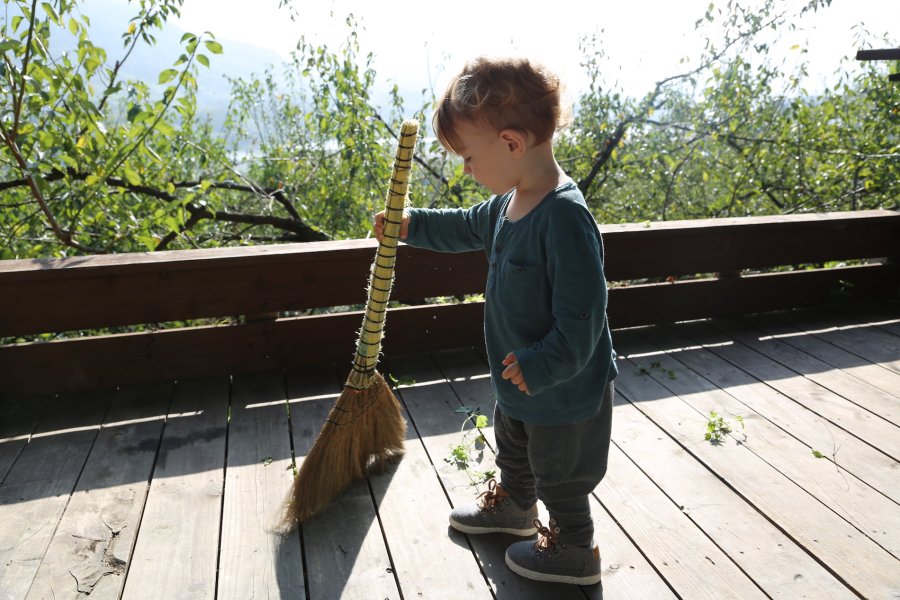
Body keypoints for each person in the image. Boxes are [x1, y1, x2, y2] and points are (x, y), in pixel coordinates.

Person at [373, 56, 616, 586]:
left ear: (510, 143)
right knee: (516, 446)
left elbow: (584, 321)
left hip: (563, 387)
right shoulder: (508, 204)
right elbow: (463, 226)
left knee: (561, 472)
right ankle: (515, 508)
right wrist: (412, 226)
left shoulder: (564, 218)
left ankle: (576, 549)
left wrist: (542, 364)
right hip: (519, 376)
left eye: (466, 156)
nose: (465, 169)